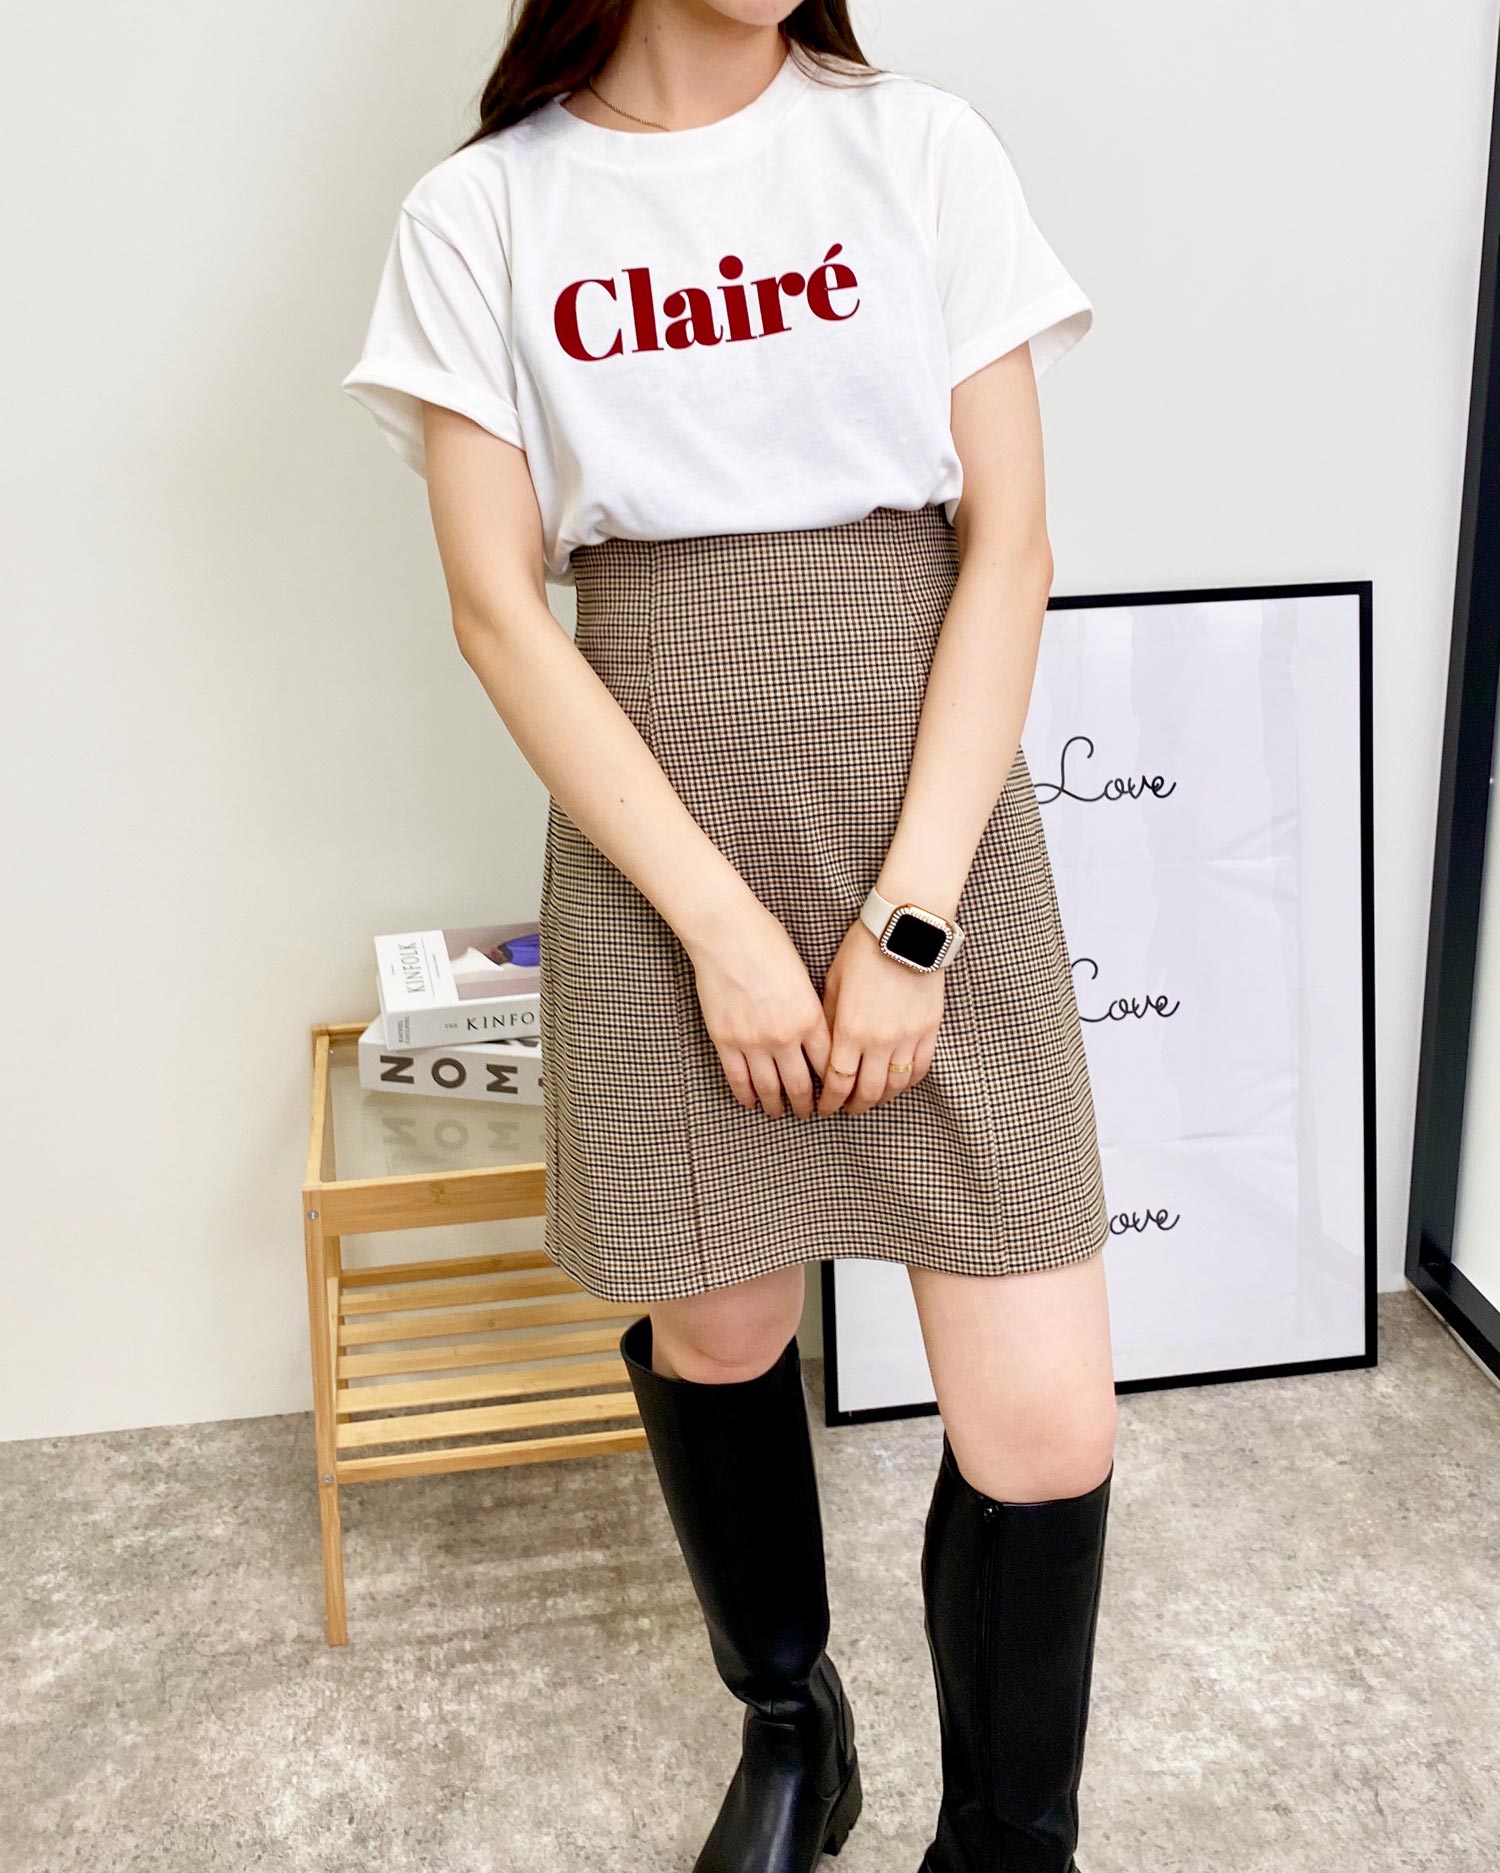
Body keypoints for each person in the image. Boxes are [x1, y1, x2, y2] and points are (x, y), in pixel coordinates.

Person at [341, 5, 1118, 1870]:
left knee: (1044, 1419)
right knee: (719, 1318)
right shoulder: (483, 214)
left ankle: (1008, 1844)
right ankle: (791, 1722)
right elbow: (498, 610)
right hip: (660, 836)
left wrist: (909, 924)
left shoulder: (918, 146)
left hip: (926, 814)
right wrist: (719, 927)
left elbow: (1008, 549)